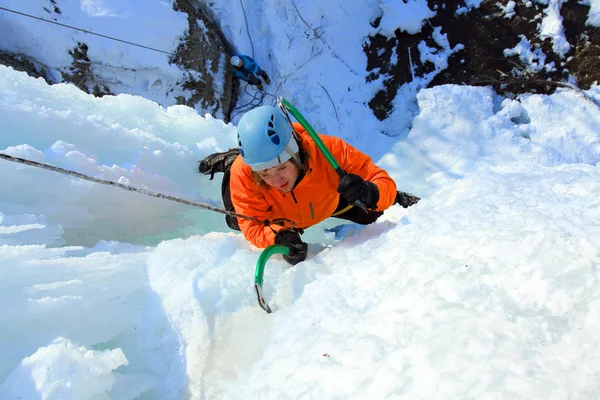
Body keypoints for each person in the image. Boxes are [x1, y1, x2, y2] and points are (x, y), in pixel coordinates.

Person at [198, 105, 420, 265]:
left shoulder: (329, 151)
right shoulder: (246, 174)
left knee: (372, 208)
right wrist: (278, 237)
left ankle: (388, 198)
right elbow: (253, 227)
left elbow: (379, 177)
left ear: (296, 153)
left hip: (325, 199)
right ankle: (230, 160)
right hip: (279, 215)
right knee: (234, 220)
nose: (276, 180)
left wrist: (372, 192)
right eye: (265, 172)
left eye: (282, 167)